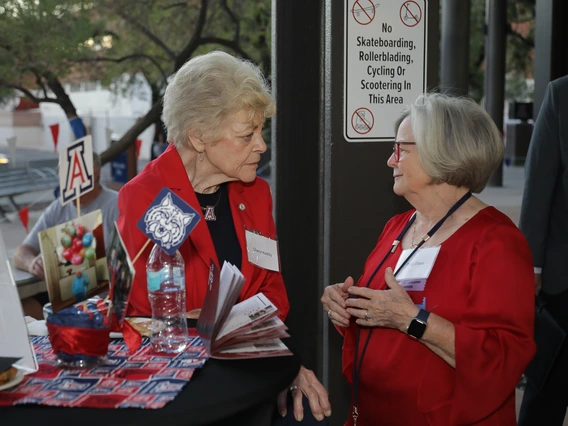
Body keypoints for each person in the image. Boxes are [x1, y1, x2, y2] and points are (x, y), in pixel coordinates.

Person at [117, 51, 330, 424]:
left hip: (249, 368)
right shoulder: (148, 196)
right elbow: (139, 313)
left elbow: (273, 292)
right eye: (247, 135)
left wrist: (277, 362)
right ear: (199, 136)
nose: (261, 146)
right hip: (181, 383)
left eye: (261, 132)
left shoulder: (256, 193)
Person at [321, 93, 535, 426]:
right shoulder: (398, 225)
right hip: (372, 413)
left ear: (441, 153)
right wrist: (347, 306)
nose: (391, 161)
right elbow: (383, 312)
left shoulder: (496, 242)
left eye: (400, 150)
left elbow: (503, 357)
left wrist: (413, 320)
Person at [518, 75, 568, 425]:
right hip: (563, 276)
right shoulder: (562, 94)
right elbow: (538, 185)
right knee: (547, 389)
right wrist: (532, 266)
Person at [13, 152, 119, 318]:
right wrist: (31, 263)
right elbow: (21, 251)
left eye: (69, 174)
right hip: (63, 297)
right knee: (19, 308)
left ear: (94, 173)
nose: (63, 181)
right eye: (61, 175)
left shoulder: (116, 204)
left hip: (104, 300)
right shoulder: (58, 207)